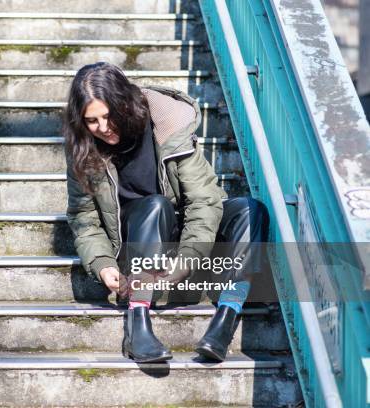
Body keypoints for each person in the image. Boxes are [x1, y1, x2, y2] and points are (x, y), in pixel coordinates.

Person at [63, 62, 270, 363]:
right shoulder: (83, 150)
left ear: (124, 104)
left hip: (185, 248)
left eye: (108, 116)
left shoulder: (167, 124)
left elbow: (204, 200)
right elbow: (84, 218)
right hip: (137, 253)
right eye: (92, 121)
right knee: (154, 205)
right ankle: (138, 325)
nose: (103, 128)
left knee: (251, 211)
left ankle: (225, 320)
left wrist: (185, 261)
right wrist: (102, 263)